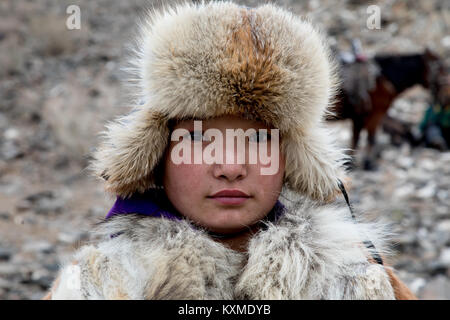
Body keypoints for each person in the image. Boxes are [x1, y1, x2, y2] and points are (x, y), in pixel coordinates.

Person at [44, 1, 415, 300]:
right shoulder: (95, 286)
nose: (230, 167)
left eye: (258, 141)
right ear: (156, 155)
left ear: (291, 158)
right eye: (199, 139)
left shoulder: (357, 284)